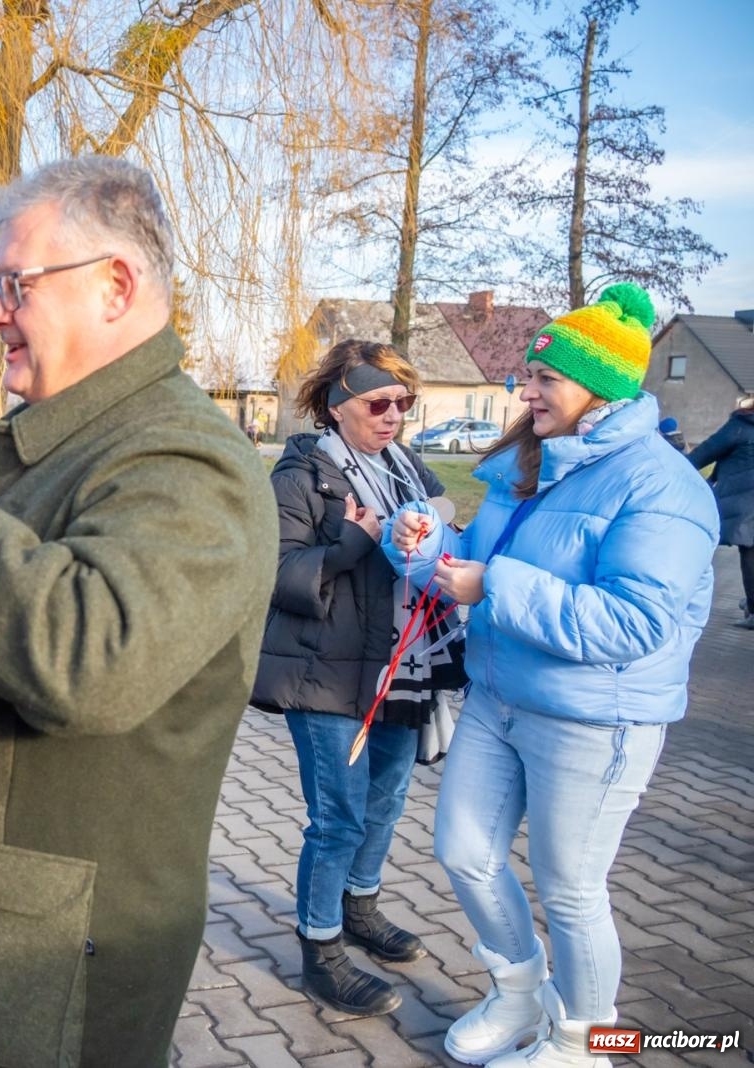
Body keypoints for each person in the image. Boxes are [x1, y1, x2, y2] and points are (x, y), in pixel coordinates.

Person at [0, 156, 277, 1067]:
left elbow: (87, 654)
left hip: (46, 962)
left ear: (115, 285)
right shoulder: (80, 437)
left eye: (12, 284)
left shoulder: (186, 461)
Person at [387, 284, 717, 1067]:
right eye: (528, 378)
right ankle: (519, 993)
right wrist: (428, 545)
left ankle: (582, 1044)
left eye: (545, 380)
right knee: (465, 851)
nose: (525, 391)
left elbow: (635, 623)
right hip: (500, 698)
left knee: (569, 890)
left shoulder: (662, 487)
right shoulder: (532, 461)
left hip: (593, 719)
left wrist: (492, 584)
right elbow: (479, 558)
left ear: (601, 387)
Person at [251, 339, 462, 1017]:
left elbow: (445, 509)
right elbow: (276, 576)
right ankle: (322, 952)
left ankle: (361, 909)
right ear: (340, 405)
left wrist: (428, 527)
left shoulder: (404, 464)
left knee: (386, 801)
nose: (394, 414)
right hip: (328, 677)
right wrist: (354, 543)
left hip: (401, 665)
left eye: (404, 401)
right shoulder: (300, 477)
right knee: (337, 819)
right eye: (379, 401)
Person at [686, 396, 754, 629]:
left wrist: (672, 469)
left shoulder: (742, 425)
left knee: (751, 551)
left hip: (747, 503)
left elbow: (702, 453)